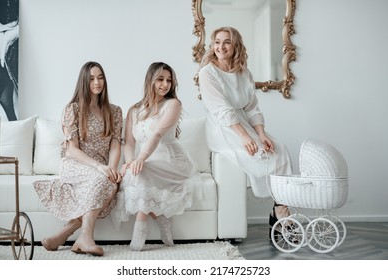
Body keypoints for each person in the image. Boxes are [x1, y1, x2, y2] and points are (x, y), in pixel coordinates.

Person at [197, 26, 293, 239]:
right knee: (260, 155)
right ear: (212, 46)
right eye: (217, 42)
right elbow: (222, 110)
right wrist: (244, 137)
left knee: (280, 150)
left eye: (227, 42)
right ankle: (281, 215)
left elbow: (251, 108)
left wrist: (261, 134)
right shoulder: (208, 73)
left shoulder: (244, 73)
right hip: (223, 128)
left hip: (244, 124)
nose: (221, 47)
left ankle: (280, 209)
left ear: (236, 45)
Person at [33, 61, 123, 256]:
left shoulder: (114, 111)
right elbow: (72, 150)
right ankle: (86, 237)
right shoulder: (72, 109)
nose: (97, 82)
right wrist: (100, 167)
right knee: (102, 181)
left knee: (110, 183)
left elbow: (116, 144)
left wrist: (112, 168)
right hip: (74, 164)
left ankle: (63, 236)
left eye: (100, 78)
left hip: (100, 168)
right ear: (84, 81)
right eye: (91, 79)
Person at [111, 62, 202, 251]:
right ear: (150, 80)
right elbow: (128, 143)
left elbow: (157, 134)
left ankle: (140, 230)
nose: (165, 84)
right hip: (146, 160)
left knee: (141, 171)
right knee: (137, 172)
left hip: (171, 161)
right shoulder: (135, 110)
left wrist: (141, 159)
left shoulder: (173, 104)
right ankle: (161, 219)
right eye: (160, 79)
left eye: (169, 80)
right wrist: (129, 162)